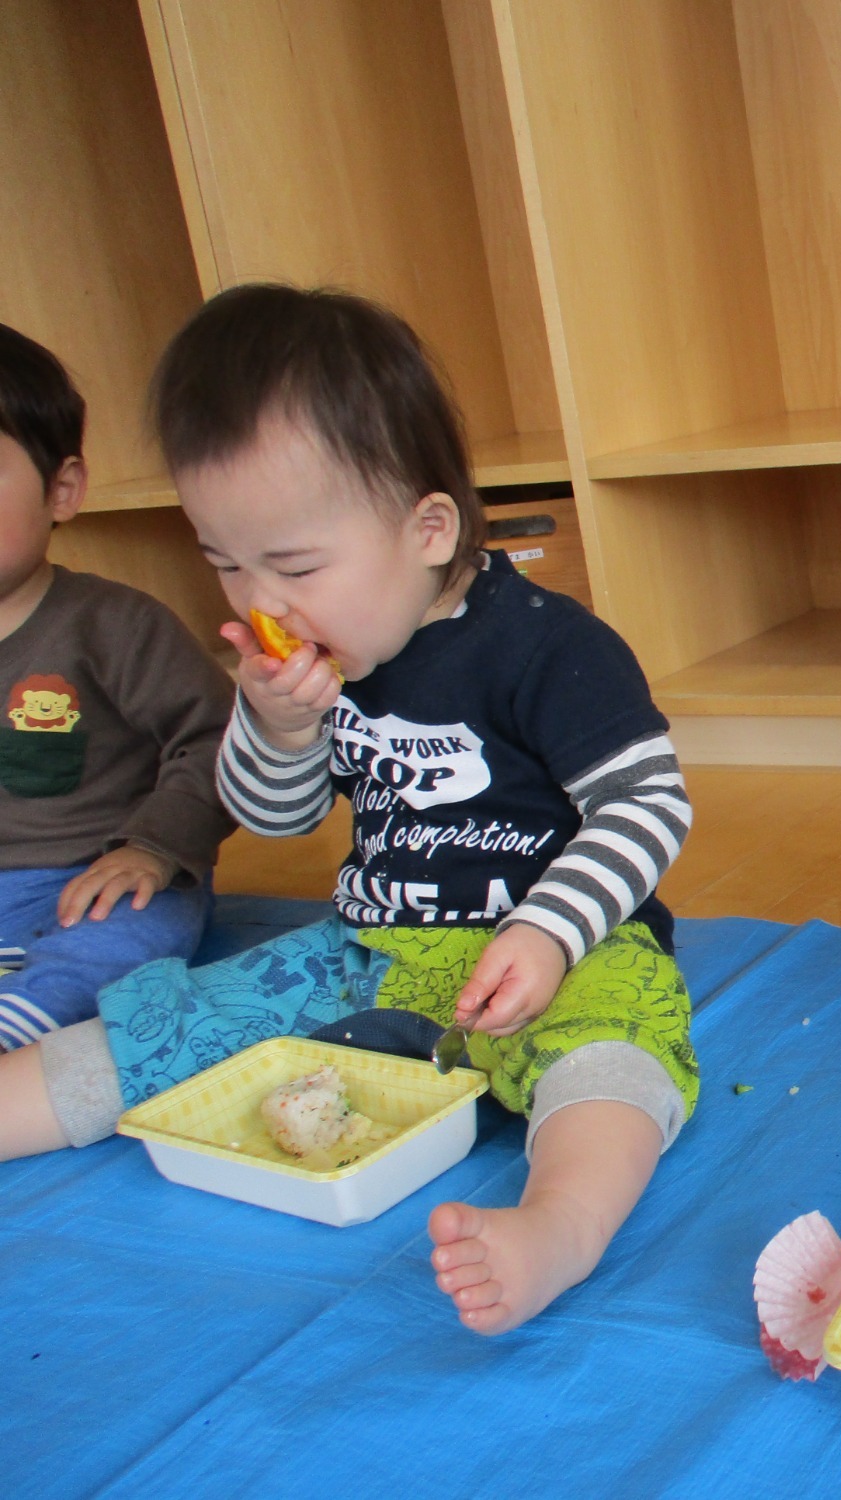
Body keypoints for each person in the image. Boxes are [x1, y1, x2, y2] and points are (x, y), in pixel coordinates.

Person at [0, 286, 698, 1333]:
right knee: (174, 1020)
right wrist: (278, 731)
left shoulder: (550, 648)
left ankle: (557, 1228)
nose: (260, 606)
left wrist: (550, 933)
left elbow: (648, 802)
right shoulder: (326, 653)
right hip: (369, 947)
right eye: (225, 562)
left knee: (613, 1061)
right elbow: (272, 816)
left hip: (560, 950)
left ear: (427, 529)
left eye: (293, 566)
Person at [0, 323, 234, 1051]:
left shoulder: (112, 624)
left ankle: (27, 1018)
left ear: (61, 489)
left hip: (92, 877)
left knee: (140, 923)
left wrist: (153, 849)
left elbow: (215, 737)